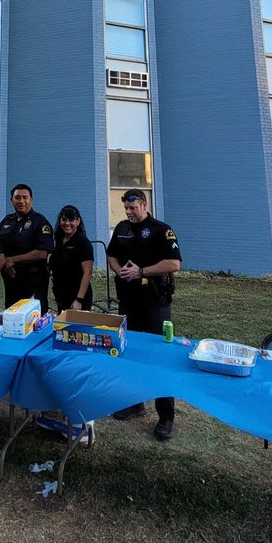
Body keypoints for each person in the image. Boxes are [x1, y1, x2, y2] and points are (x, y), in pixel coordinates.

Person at [107, 188, 181, 441]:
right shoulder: (122, 228)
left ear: (144, 204)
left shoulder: (161, 229)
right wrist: (120, 271)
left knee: (159, 356)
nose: (129, 212)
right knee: (129, 351)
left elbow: (174, 263)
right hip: (129, 300)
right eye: (126, 209)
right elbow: (111, 255)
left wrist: (142, 271)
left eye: (133, 208)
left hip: (154, 302)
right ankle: (134, 403)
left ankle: (166, 416)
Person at [0, 184, 54, 312]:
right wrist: (4, 261)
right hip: (11, 282)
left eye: (25, 197)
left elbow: (43, 252)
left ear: (31, 200)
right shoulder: (7, 221)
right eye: (17, 197)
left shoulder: (40, 222)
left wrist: (13, 260)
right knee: (11, 316)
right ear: (11, 200)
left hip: (33, 282)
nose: (21, 201)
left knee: (32, 319)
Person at [49, 205, 94, 312]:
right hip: (62, 296)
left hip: (77, 298)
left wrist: (79, 299)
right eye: (64, 220)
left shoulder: (83, 243)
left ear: (78, 221)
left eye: (71, 220)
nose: (67, 223)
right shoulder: (59, 239)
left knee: (76, 328)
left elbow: (87, 273)